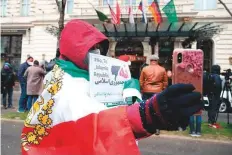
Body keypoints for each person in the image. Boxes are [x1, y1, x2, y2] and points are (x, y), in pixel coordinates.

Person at [21, 20, 203, 155]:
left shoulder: (70, 74)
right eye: (90, 48)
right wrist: (148, 114)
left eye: (99, 48)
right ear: (73, 50)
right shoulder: (68, 84)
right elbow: (93, 124)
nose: (97, 53)